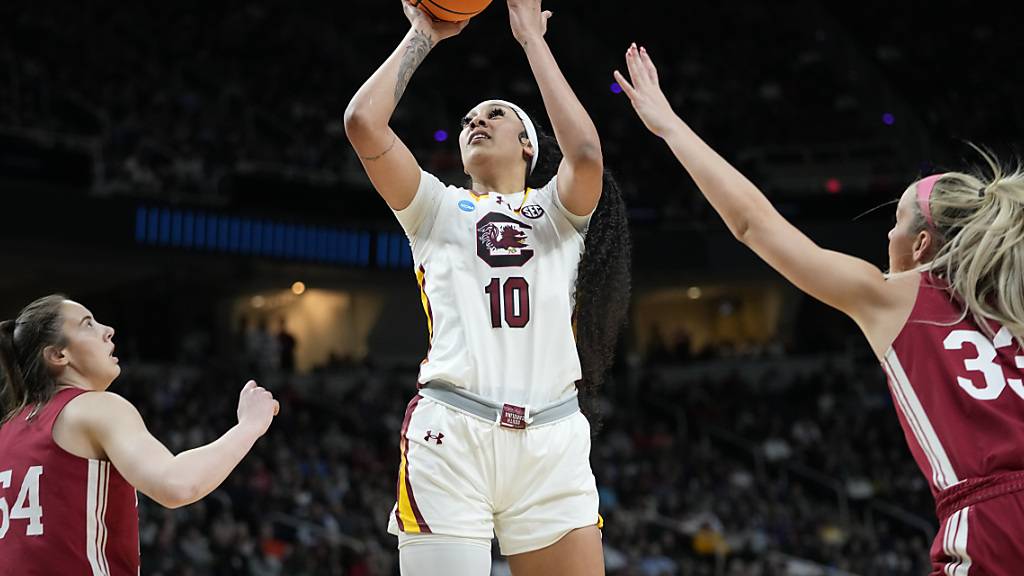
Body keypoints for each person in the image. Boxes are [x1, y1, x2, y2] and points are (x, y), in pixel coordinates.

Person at [614, 43, 1024, 573]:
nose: (888, 232)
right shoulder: (1011, 305)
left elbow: (752, 224)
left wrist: (669, 125)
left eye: (897, 220)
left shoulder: (891, 295)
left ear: (921, 245)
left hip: (992, 518)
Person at [344, 1, 630, 574]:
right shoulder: (435, 207)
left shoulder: (558, 212)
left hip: (552, 438)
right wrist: (423, 34)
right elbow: (363, 124)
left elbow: (587, 152)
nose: (477, 120)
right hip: (453, 435)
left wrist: (531, 41)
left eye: (495, 114)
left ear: (528, 145)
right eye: (470, 117)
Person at [0, 295, 280, 575]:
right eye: (88, 324)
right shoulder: (94, 406)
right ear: (59, 355)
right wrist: (250, 425)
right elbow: (177, 484)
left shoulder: (7, 430)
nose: (107, 329)